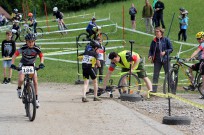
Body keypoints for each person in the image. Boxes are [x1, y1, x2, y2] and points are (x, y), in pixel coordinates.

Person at [10, 33, 45, 108]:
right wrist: (12, 64)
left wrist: (41, 63)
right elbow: (14, 55)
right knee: (21, 79)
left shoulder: (36, 48)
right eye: (29, 42)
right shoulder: (23, 48)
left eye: (32, 41)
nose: (31, 43)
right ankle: (19, 89)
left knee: (35, 81)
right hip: (23, 64)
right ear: (26, 41)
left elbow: (41, 56)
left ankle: (36, 99)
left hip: (32, 65)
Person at [148, 27, 173, 93]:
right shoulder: (154, 41)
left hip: (165, 60)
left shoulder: (166, 40)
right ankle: (154, 90)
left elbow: (171, 49)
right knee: (155, 76)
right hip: (157, 61)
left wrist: (165, 52)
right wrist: (150, 55)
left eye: (158, 31)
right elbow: (151, 50)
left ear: (161, 32)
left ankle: (173, 90)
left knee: (168, 75)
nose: (156, 33)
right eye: (156, 31)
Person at [183, 31, 204, 99]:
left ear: (203, 38)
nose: (198, 40)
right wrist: (195, 57)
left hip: (203, 63)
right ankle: (193, 84)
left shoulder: (202, 44)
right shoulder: (201, 44)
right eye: (197, 39)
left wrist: (190, 58)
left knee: (203, 77)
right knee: (190, 69)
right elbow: (201, 55)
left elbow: (196, 51)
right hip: (201, 62)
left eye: (199, 38)